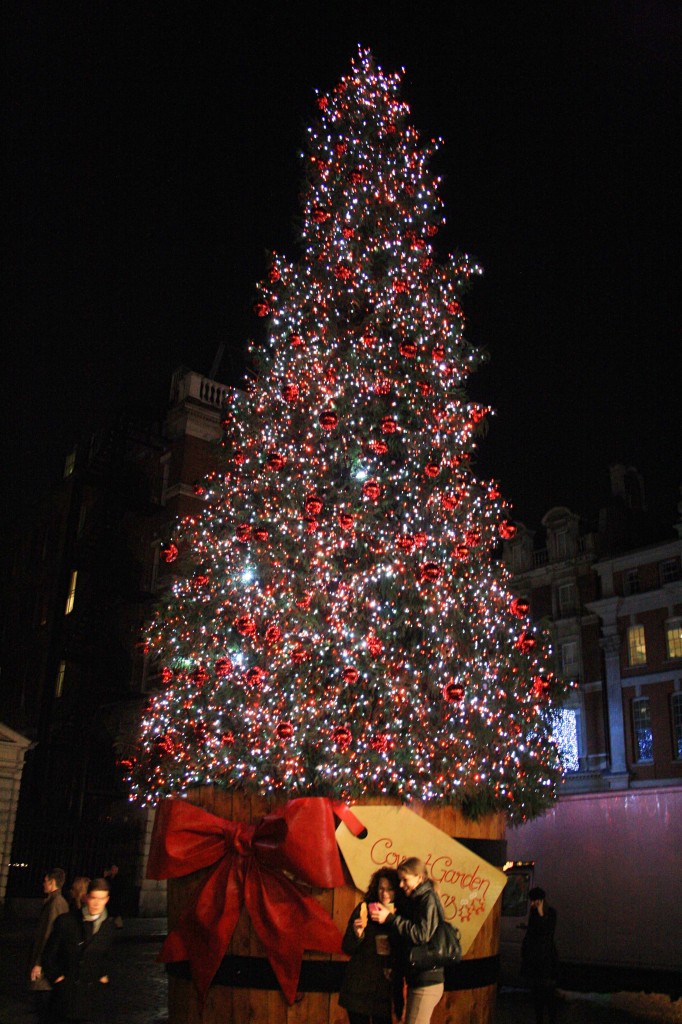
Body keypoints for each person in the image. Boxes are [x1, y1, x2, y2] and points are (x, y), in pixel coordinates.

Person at [370, 857, 444, 1024]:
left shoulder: (427, 899)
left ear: (419, 877)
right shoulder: (417, 899)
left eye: (405, 880)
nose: (401, 885)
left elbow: (421, 935)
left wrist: (391, 919)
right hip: (419, 978)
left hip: (427, 977)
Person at [43, 877, 117, 1022]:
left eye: (101, 899)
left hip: (92, 997)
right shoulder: (66, 921)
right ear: (86, 897)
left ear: (107, 899)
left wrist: (104, 976)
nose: (97, 903)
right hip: (66, 995)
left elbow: (109, 957)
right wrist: (57, 979)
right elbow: (49, 954)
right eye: (94, 898)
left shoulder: (109, 927)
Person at [339, 867, 404, 1024]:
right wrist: (358, 934)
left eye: (390, 889)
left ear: (397, 890)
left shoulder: (401, 915)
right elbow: (346, 948)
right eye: (381, 888)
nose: (385, 893)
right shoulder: (364, 910)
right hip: (359, 986)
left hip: (384, 990)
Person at [29, 868, 69, 1021]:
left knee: (43, 1005)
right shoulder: (54, 901)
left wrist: (39, 962)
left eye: (45, 881)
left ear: (52, 882)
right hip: (48, 963)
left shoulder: (55, 903)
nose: (43, 884)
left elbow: (49, 934)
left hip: (47, 965)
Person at [521, 886, 559, 1024]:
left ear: (540, 900)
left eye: (534, 901)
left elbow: (547, 934)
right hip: (535, 960)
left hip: (546, 961)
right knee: (537, 994)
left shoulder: (551, 913)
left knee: (548, 993)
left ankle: (551, 1019)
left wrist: (542, 914)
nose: (532, 903)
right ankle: (539, 1019)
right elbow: (531, 934)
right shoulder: (533, 912)